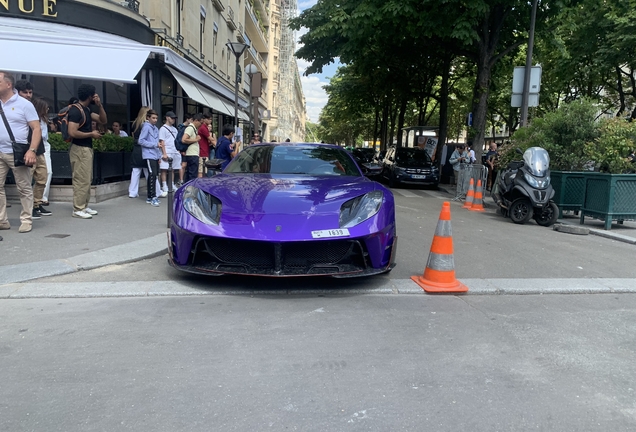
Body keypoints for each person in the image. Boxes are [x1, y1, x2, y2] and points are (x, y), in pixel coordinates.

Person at [0, 71, 41, 233]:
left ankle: (26, 219)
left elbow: (36, 128)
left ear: (8, 85)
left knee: (23, 187)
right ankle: (2, 220)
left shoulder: (25, 104)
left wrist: (32, 150)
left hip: (17, 152)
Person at [67, 83, 107, 219]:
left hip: (85, 148)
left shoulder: (87, 110)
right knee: (81, 178)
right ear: (91, 96)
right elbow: (72, 132)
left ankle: (83, 205)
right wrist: (91, 134)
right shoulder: (76, 111)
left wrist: (100, 105)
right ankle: (78, 208)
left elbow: (103, 120)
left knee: (87, 178)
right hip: (79, 148)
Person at [138, 109, 166, 207]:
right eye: (153, 118)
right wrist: (154, 145)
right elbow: (141, 141)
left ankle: (150, 197)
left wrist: (159, 156)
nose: (155, 120)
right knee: (152, 175)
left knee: (154, 175)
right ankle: (152, 197)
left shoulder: (155, 128)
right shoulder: (146, 127)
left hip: (154, 155)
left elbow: (157, 143)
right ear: (148, 118)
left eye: (156, 118)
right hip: (149, 155)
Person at [30, 98, 52, 217]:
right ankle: (30, 206)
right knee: (28, 178)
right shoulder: (32, 120)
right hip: (31, 149)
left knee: (43, 176)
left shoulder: (43, 120)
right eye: (45, 107)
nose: (47, 109)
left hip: (41, 150)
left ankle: (37, 203)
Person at [159, 111, 181, 191]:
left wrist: (178, 150)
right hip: (167, 150)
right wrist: (164, 153)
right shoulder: (163, 129)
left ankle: (171, 184)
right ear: (167, 117)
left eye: (174, 118)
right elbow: (162, 141)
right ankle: (164, 185)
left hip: (174, 150)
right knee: (164, 169)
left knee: (172, 169)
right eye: (172, 118)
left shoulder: (175, 129)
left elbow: (177, 140)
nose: (173, 120)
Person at [183, 114, 202, 182]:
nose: (201, 124)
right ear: (196, 121)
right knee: (192, 174)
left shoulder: (193, 129)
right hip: (192, 154)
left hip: (193, 154)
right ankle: (190, 189)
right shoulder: (190, 128)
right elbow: (184, 139)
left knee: (190, 174)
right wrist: (196, 140)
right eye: (200, 122)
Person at [198, 113, 213, 177]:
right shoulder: (203, 127)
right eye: (209, 119)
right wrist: (217, 144)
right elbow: (210, 138)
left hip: (205, 150)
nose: (210, 121)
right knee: (201, 169)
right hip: (202, 151)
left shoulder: (205, 127)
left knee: (204, 169)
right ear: (205, 119)